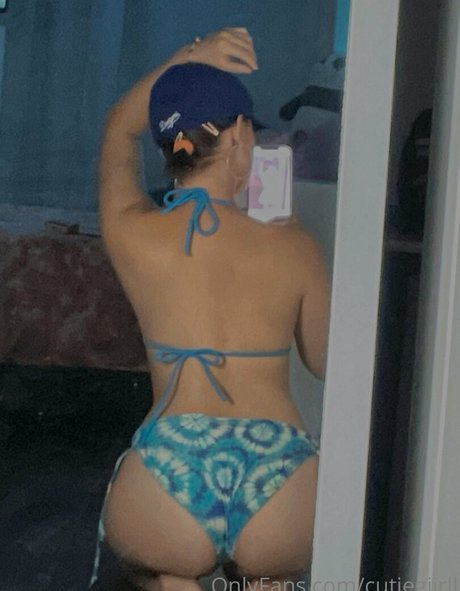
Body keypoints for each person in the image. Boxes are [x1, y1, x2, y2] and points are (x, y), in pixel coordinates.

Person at [90, 28, 330, 591]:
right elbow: (324, 362)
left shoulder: (133, 232)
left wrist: (188, 58)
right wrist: (288, 229)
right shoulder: (294, 246)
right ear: (241, 135)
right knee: (271, 575)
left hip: (170, 475)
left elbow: (117, 128)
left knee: (163, 569)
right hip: (280, 474)